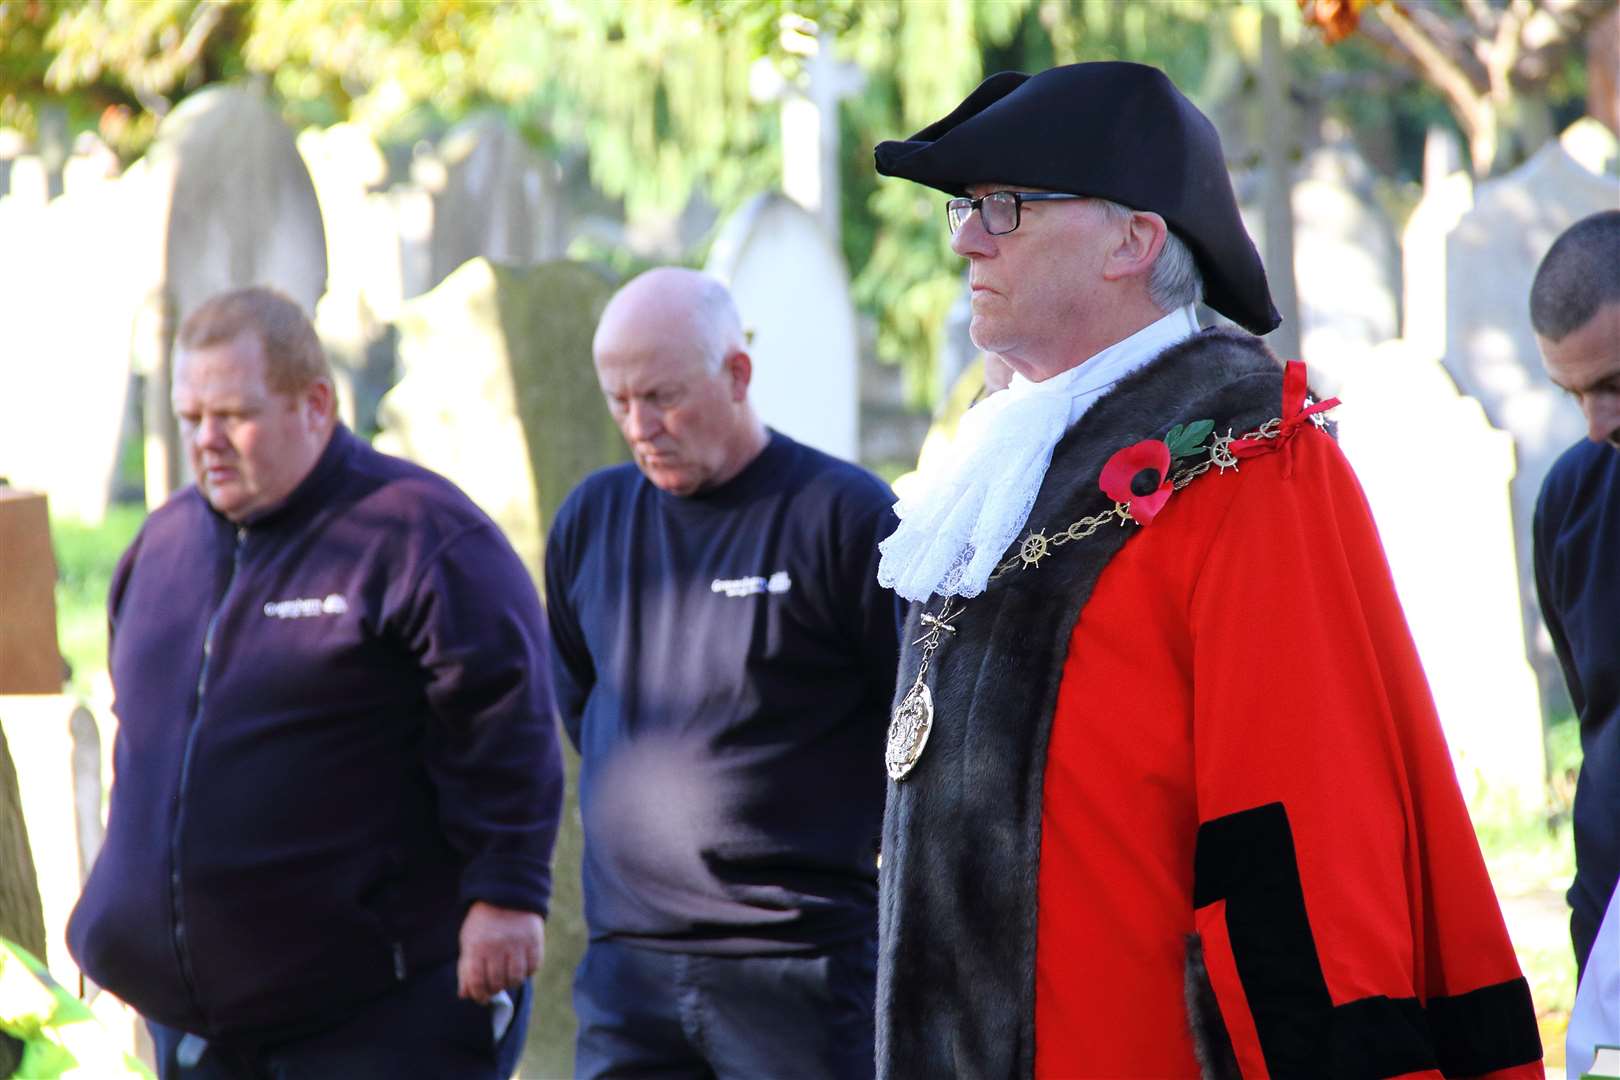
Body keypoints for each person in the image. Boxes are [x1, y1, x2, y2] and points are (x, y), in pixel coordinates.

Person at [869, 61, 1543, 1077]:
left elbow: (1304, 840)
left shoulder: (1247, 459)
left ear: (1135, 241)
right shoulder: (999, 463)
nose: (964, 237)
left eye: (1003, 208)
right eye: (966, 207)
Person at [67, 287, 564, 1079]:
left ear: (316, 405)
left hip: (375, 1018)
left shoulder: (418, 538)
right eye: (191, 418)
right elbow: (149, 749)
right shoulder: (160, 549)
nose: (207, 442)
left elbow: (504, 725)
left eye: (234, 415)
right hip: (194, 1027)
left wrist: (506, 897)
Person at [544, 267, 900, 1079]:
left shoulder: (845, 518)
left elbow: (914, 725)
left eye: (662, 397)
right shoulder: (591, 521)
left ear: (738, 374)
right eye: (619, 401)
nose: (641, 426)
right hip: (627, 971)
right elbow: (583, 707)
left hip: (798, 964)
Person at [1530, 209, 1620, 986]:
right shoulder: (1570, 501)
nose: (1597, 425)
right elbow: (1599, 724)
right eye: (1575, 394)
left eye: (1616, 385)